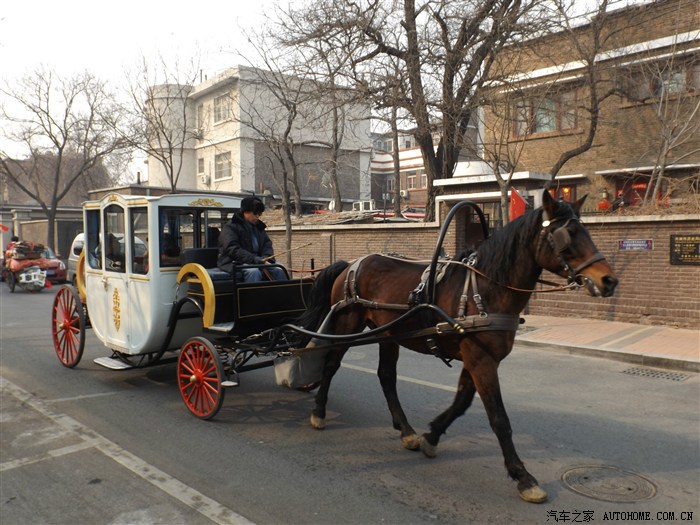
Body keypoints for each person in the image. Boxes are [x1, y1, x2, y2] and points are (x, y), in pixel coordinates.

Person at [217, 196, 286, 282]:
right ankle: (253, 295)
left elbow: (267, 245)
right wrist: (254, 259)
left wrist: (266, 257)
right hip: (235, 262)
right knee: (253, 272)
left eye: (259, 214)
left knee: (280, 268)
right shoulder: (230, 227)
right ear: (245, 212)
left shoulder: (259, 227)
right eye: (255, 213)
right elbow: (232, 249)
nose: (257, 216)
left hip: (259, 261)